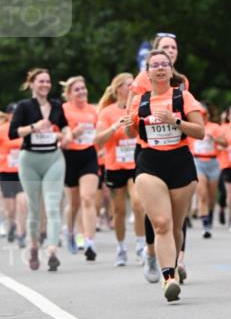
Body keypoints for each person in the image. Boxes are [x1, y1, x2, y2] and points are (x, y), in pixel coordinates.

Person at [130, 49, 204, 301]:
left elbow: (200, 132)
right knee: (161, 222)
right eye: (155, 65)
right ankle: (168, 277)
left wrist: (175, 122)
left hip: (180, 162)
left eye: (165, 64)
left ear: (171, 70)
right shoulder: (139, 100)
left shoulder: (183, 97)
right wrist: (126, 125)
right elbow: (132, 134)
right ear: (147, 72)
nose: (160, 68)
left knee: (175, 224)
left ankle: (172, 263)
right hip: (150, 162)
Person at [9, 68, 69, 272]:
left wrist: (66, 135)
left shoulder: (57, 106)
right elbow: (13, 133)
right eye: (40, 81)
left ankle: (52, 249)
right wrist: (34, 127)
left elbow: (65, 126)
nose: (45, 85)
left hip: (54, 158)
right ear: (32, 84)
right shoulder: (24, 107)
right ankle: (33, 245)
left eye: (47, 81)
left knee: (53, 206)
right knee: (34, 208)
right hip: (30, 161)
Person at [96, 72, 148, 268]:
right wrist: (114, 128)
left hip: (136, 163)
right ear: (118, 89)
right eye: (129, 85)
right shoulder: (107, 112)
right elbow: (98, 140)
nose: (133, 88)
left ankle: (141, 246)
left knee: (138, 204)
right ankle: (120, 247)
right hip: (115, 165)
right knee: (118, 211)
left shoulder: (139, 106)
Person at [60, 76, 100, 261]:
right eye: (77, 89)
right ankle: (70, 231)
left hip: (89, 156)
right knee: (74, 203)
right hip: (69, 158)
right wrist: (72, 134)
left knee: (87, 198)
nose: (82, 92)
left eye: (83, 88)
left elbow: (100, 133)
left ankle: (89, 241)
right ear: (68, 94)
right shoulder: (63, 110)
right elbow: (60, 140)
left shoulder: (94, 110)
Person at [0, 107, 27, 247]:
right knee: (10, 209)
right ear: (9, 115)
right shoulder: (1, 129)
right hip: (6, 171)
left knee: (22, 203)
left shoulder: (26, 128)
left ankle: (21, 234)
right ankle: (12, 225)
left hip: (24, 171)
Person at [190, 102, 226, 238]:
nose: (202, 116)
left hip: (213, 162)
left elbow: (225, 143)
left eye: (204, 114)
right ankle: (205, 225)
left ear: (208, 115)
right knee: (202, 194)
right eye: (199, 114)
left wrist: (214, 139)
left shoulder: (215, 127)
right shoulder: (192, 127)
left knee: (211, 197)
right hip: (198, 161)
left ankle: (209, 217)